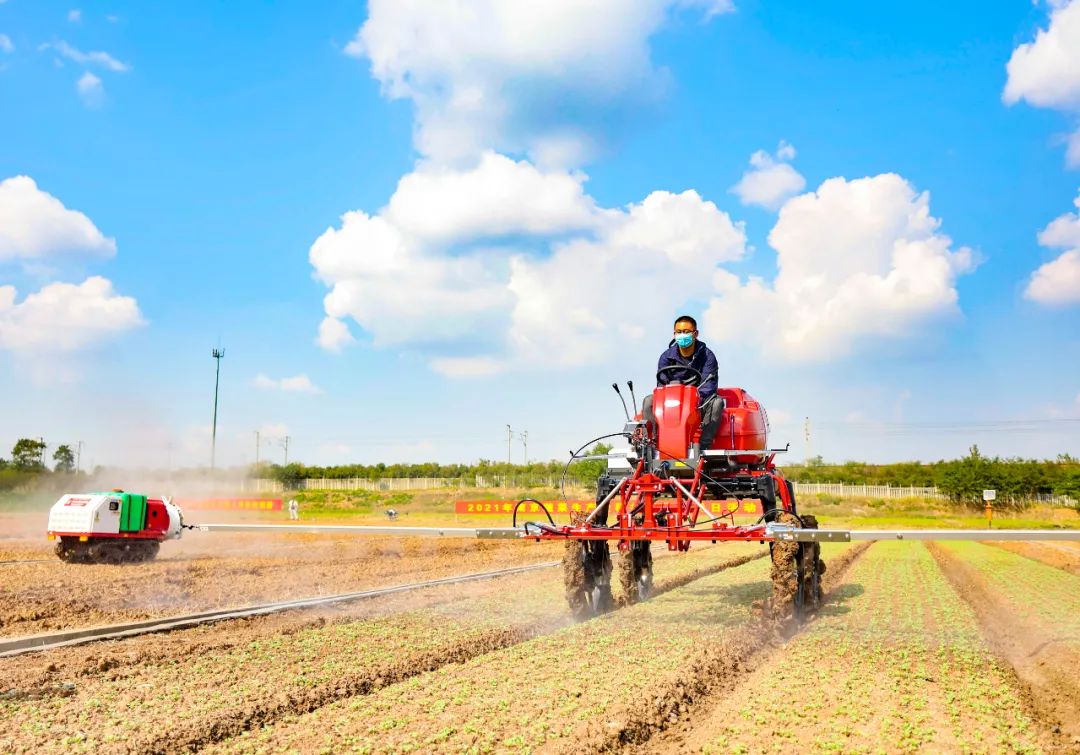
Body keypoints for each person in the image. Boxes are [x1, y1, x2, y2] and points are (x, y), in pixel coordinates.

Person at [640, 315, 722, 454]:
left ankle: (703, 446)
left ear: (695, 334)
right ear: (674, 334)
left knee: (717, 403)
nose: (682, 335)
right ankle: (652, 443)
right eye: (678, 332)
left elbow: (709, 385)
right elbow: (661, 387)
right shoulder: (666, 357)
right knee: (649, 401)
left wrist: (691, 401)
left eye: (686, 332)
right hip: (672, 402)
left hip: (697, 403)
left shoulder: (708, 357)